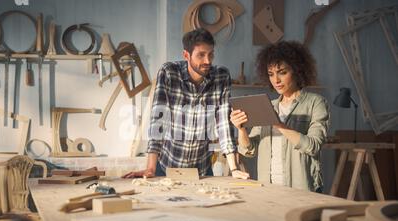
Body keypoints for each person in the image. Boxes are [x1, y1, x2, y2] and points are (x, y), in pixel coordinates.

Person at [123, 28, 249, 179]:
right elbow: (158, 121)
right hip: (166, 168)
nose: (207, 61)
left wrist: (234, 168)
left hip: (202, 170)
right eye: (201, 55)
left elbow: (224, 124)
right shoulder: (169, 72)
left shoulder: (221, 76)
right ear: (186, 55)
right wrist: (150, 168)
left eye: (211, 54)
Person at [230, 41, 329, 192]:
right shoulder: (268, 105)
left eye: (282, 72)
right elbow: (249, 150)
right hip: (268, 187)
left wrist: (278, 124)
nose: (276, 80)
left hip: (301, 188)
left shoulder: (316, 103)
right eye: (271, 74)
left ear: (297, 70)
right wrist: (241, 129)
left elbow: (313, 146)